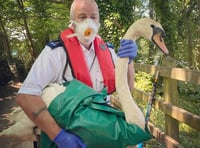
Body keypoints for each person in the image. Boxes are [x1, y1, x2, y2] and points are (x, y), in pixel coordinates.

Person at [15, 0, 138, 147]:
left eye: (93, 17)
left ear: (99, 21)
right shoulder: (55, 53)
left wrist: (129, 62)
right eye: (82, 17)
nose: (89, 22)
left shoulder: (108, 51)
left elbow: (128, 89)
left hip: (100, 130)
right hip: (66, 132)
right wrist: (58, 135)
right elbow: (26, 96)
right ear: (72, 22)